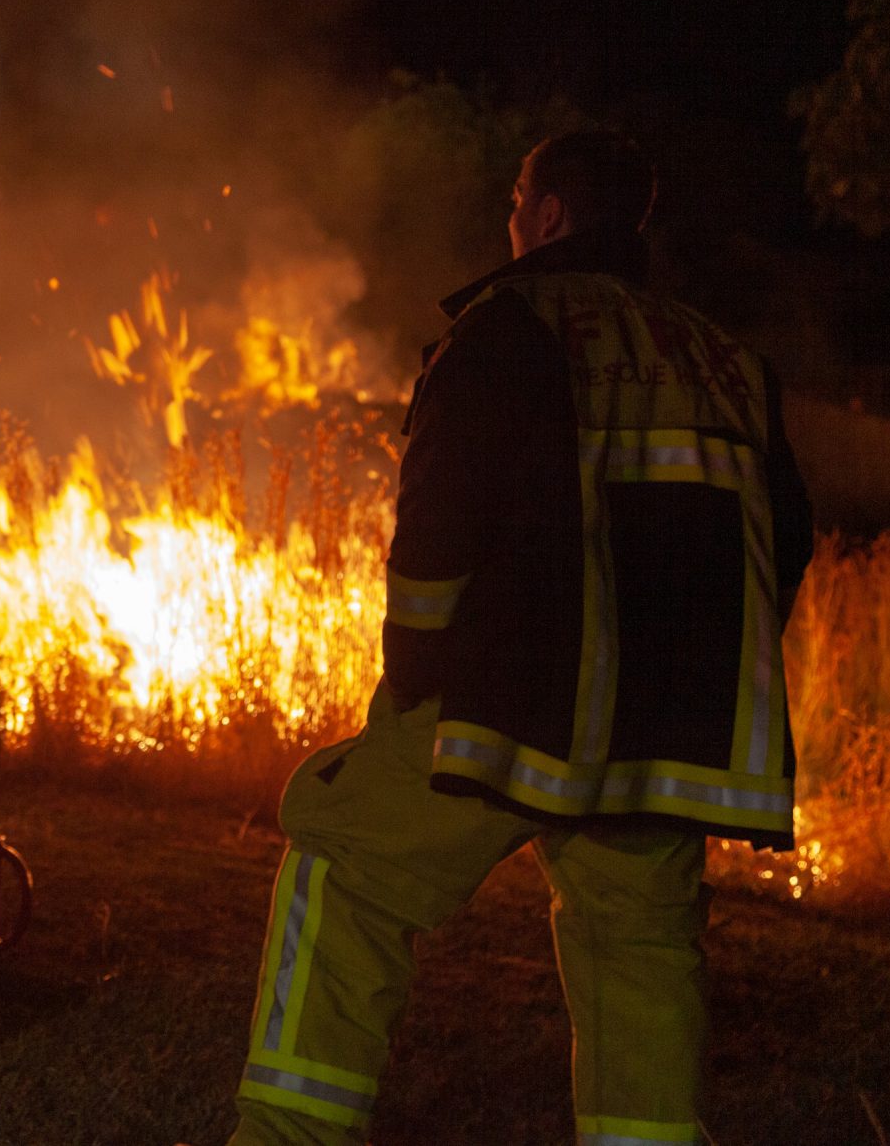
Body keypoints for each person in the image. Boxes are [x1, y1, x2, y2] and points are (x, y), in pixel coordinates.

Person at [228, 130, 812, 1146]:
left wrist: (410, 678)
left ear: (543, 215)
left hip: (504, 708)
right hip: (661, 731)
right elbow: (785, 540)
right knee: (638, 944)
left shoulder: (511, 326)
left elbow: (437, 528)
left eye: (512, 202)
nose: (507, 221)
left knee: (345, 863)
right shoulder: (721, 358)